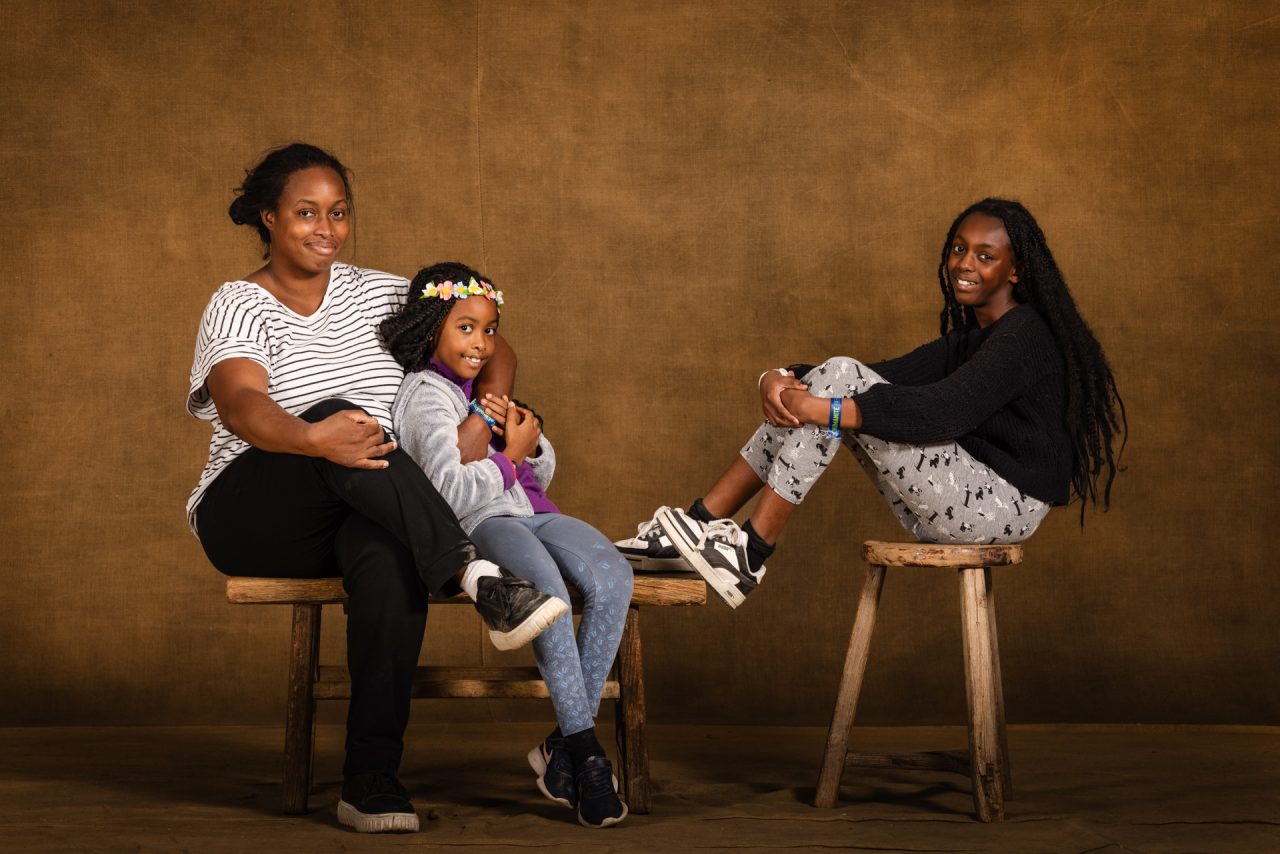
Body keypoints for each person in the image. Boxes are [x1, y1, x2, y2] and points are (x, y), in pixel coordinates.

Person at [186, 144, 570, 834]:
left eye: (338, 212)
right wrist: (314, 437)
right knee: (343, 417)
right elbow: (242, 404)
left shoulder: (383, 293)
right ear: (270, 217)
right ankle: (472, 573)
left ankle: (370, 780)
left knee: (387, 555)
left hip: (375, 502)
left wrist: (484, 413)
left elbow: (489, 342)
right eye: (307, 213)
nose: (326, 228)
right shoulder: (238, 303)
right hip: (257, 510)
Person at [618, 198, 1126, 608]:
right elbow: (879, 374)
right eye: (958, 249)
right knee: (838, 376)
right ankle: (699, 525)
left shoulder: (1024, 336)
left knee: (839, 383)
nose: (964, 264)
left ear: (1017, 270)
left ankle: (749, 550)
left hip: (1000, 507)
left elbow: (942, 414)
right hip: (963, 496)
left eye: (985, 256)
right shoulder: (973, 339)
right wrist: (778, 377)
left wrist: (830, 411)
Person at [382, 262, 634, 828]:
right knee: (549, 594)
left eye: (489, 329)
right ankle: (587, 755)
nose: (481, 343)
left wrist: (532, 445)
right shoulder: (424, 396)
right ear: (431, 328)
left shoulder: (479, 391)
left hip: (535, 512)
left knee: (614, 574)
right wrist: (511, 455)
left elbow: (536, 473)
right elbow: (445, 492)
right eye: (466, 328)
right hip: (481, 522)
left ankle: (560, 747)